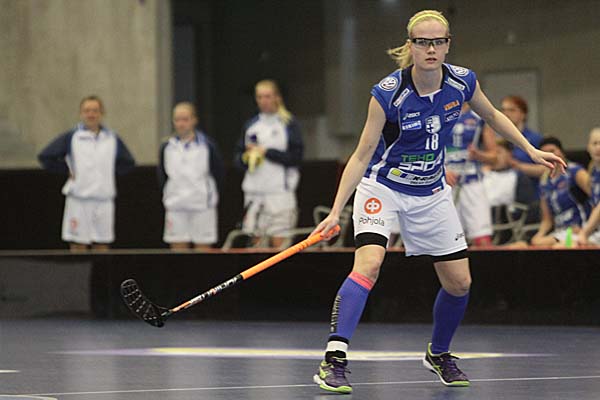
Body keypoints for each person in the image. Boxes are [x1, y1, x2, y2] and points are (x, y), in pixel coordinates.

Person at [310, 10, 565, 394]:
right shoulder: (387, 94)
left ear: (447, 45)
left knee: (460, 283)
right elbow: (361, 156)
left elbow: (493, 115)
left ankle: (439, 353)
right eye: (423, 42)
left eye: (438, 41)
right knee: (369, 265)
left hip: (431, 193)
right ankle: (334, 360)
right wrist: (335, 211)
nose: (431, 49)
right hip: (384, 188)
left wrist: (530, 149)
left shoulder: (462, 82)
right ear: (410, 46)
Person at [38, 95, 135, 251]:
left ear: (102, 113)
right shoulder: (71, 137)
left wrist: (108, 174)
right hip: (79, 200)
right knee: (78, 244)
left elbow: (128, 162)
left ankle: (101, 269)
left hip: (103, 201)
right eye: (87, 111)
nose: (91, 114)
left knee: (102, 244)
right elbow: (45, 157)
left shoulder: (111, 138)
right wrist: (66, 170)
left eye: (95, 111)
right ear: (81, 113)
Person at [233, 79, 303, 248]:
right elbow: (237, 157)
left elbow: (296, 157)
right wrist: (247, 158)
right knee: (255, 243)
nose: (264, 101)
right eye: (260, 97)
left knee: (280, 244)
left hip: (280, 192)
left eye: (267, 96)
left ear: (277, 97)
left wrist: (267, 152)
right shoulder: (251, 125)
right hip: (254, 193)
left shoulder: (288, 124)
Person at [158, 102, 224, 251]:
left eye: (185, 119)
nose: (181, 124)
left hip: (202, 206)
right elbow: (162, 176)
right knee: (178, 250)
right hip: (176, 206)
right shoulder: (166, 147)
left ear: (194, 120)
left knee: (203, 249)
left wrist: (207, 194)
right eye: (177, 120)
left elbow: (219, 173)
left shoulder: (207, 145)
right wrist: (170, 195)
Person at [445, 103, 497, 246]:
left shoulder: (479, 117)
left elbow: (494, 157)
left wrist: (478, 154)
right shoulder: (437, 110)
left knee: (482, 238)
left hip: (472, 182)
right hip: (444, 184)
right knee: (447, 239)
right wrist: (441, 171)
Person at [529, 137, 590, 247]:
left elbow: (596, 198)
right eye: (545, 153)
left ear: (561, 152)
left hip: (580, 230)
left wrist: (588, 228)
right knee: (532, 244)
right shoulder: (544, 183)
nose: (550, 156)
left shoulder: (575, 172)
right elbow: (547, 220)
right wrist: (538, 235)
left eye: (552, 151)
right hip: (560, 232)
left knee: (557, 246)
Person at [578, 127, 600, 246]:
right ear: (588, 147)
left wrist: (584, 233)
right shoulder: (593, 171)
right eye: (595, 143)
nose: (598, 148)